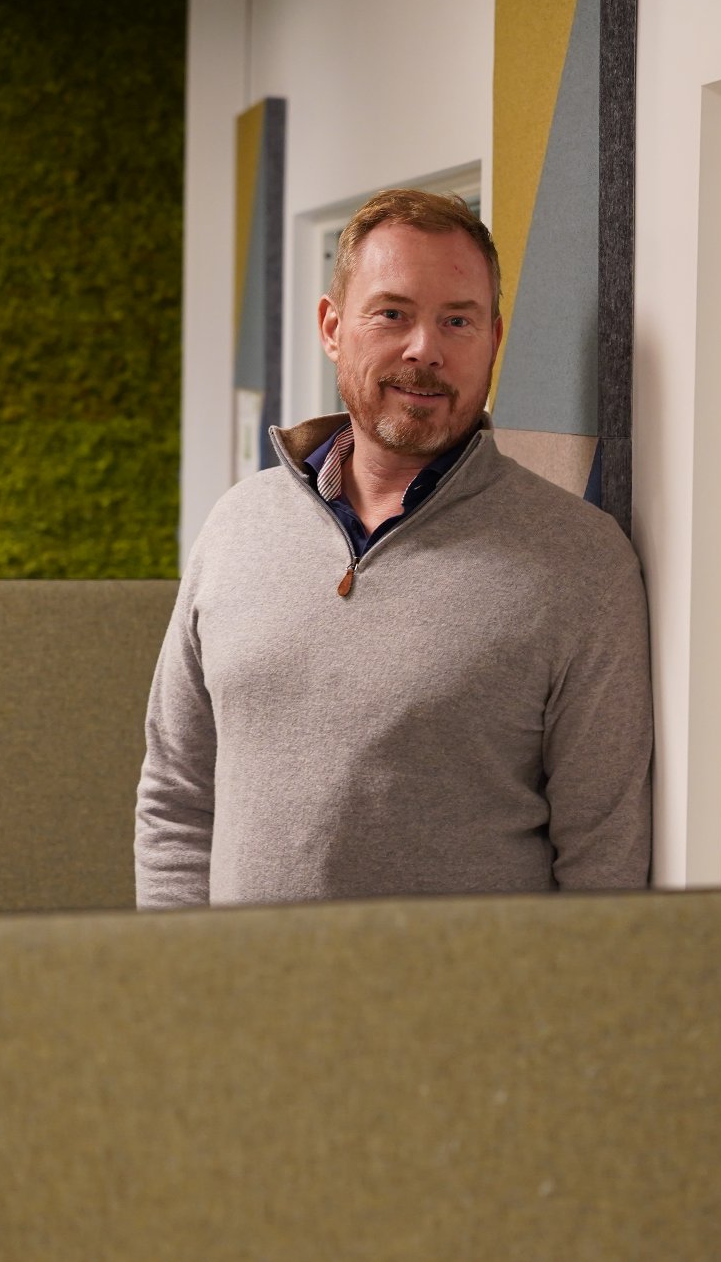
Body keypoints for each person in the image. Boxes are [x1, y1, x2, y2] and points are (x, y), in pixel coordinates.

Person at [135, 189, 652, 906]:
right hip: (237, 980)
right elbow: (176, 799)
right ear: (331, 326)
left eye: (457, 320)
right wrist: (178, 968)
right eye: (392, 313)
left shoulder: (580, 562)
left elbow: (603, 862)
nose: (425, 350)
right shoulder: (236, 526)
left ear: (494, 339)